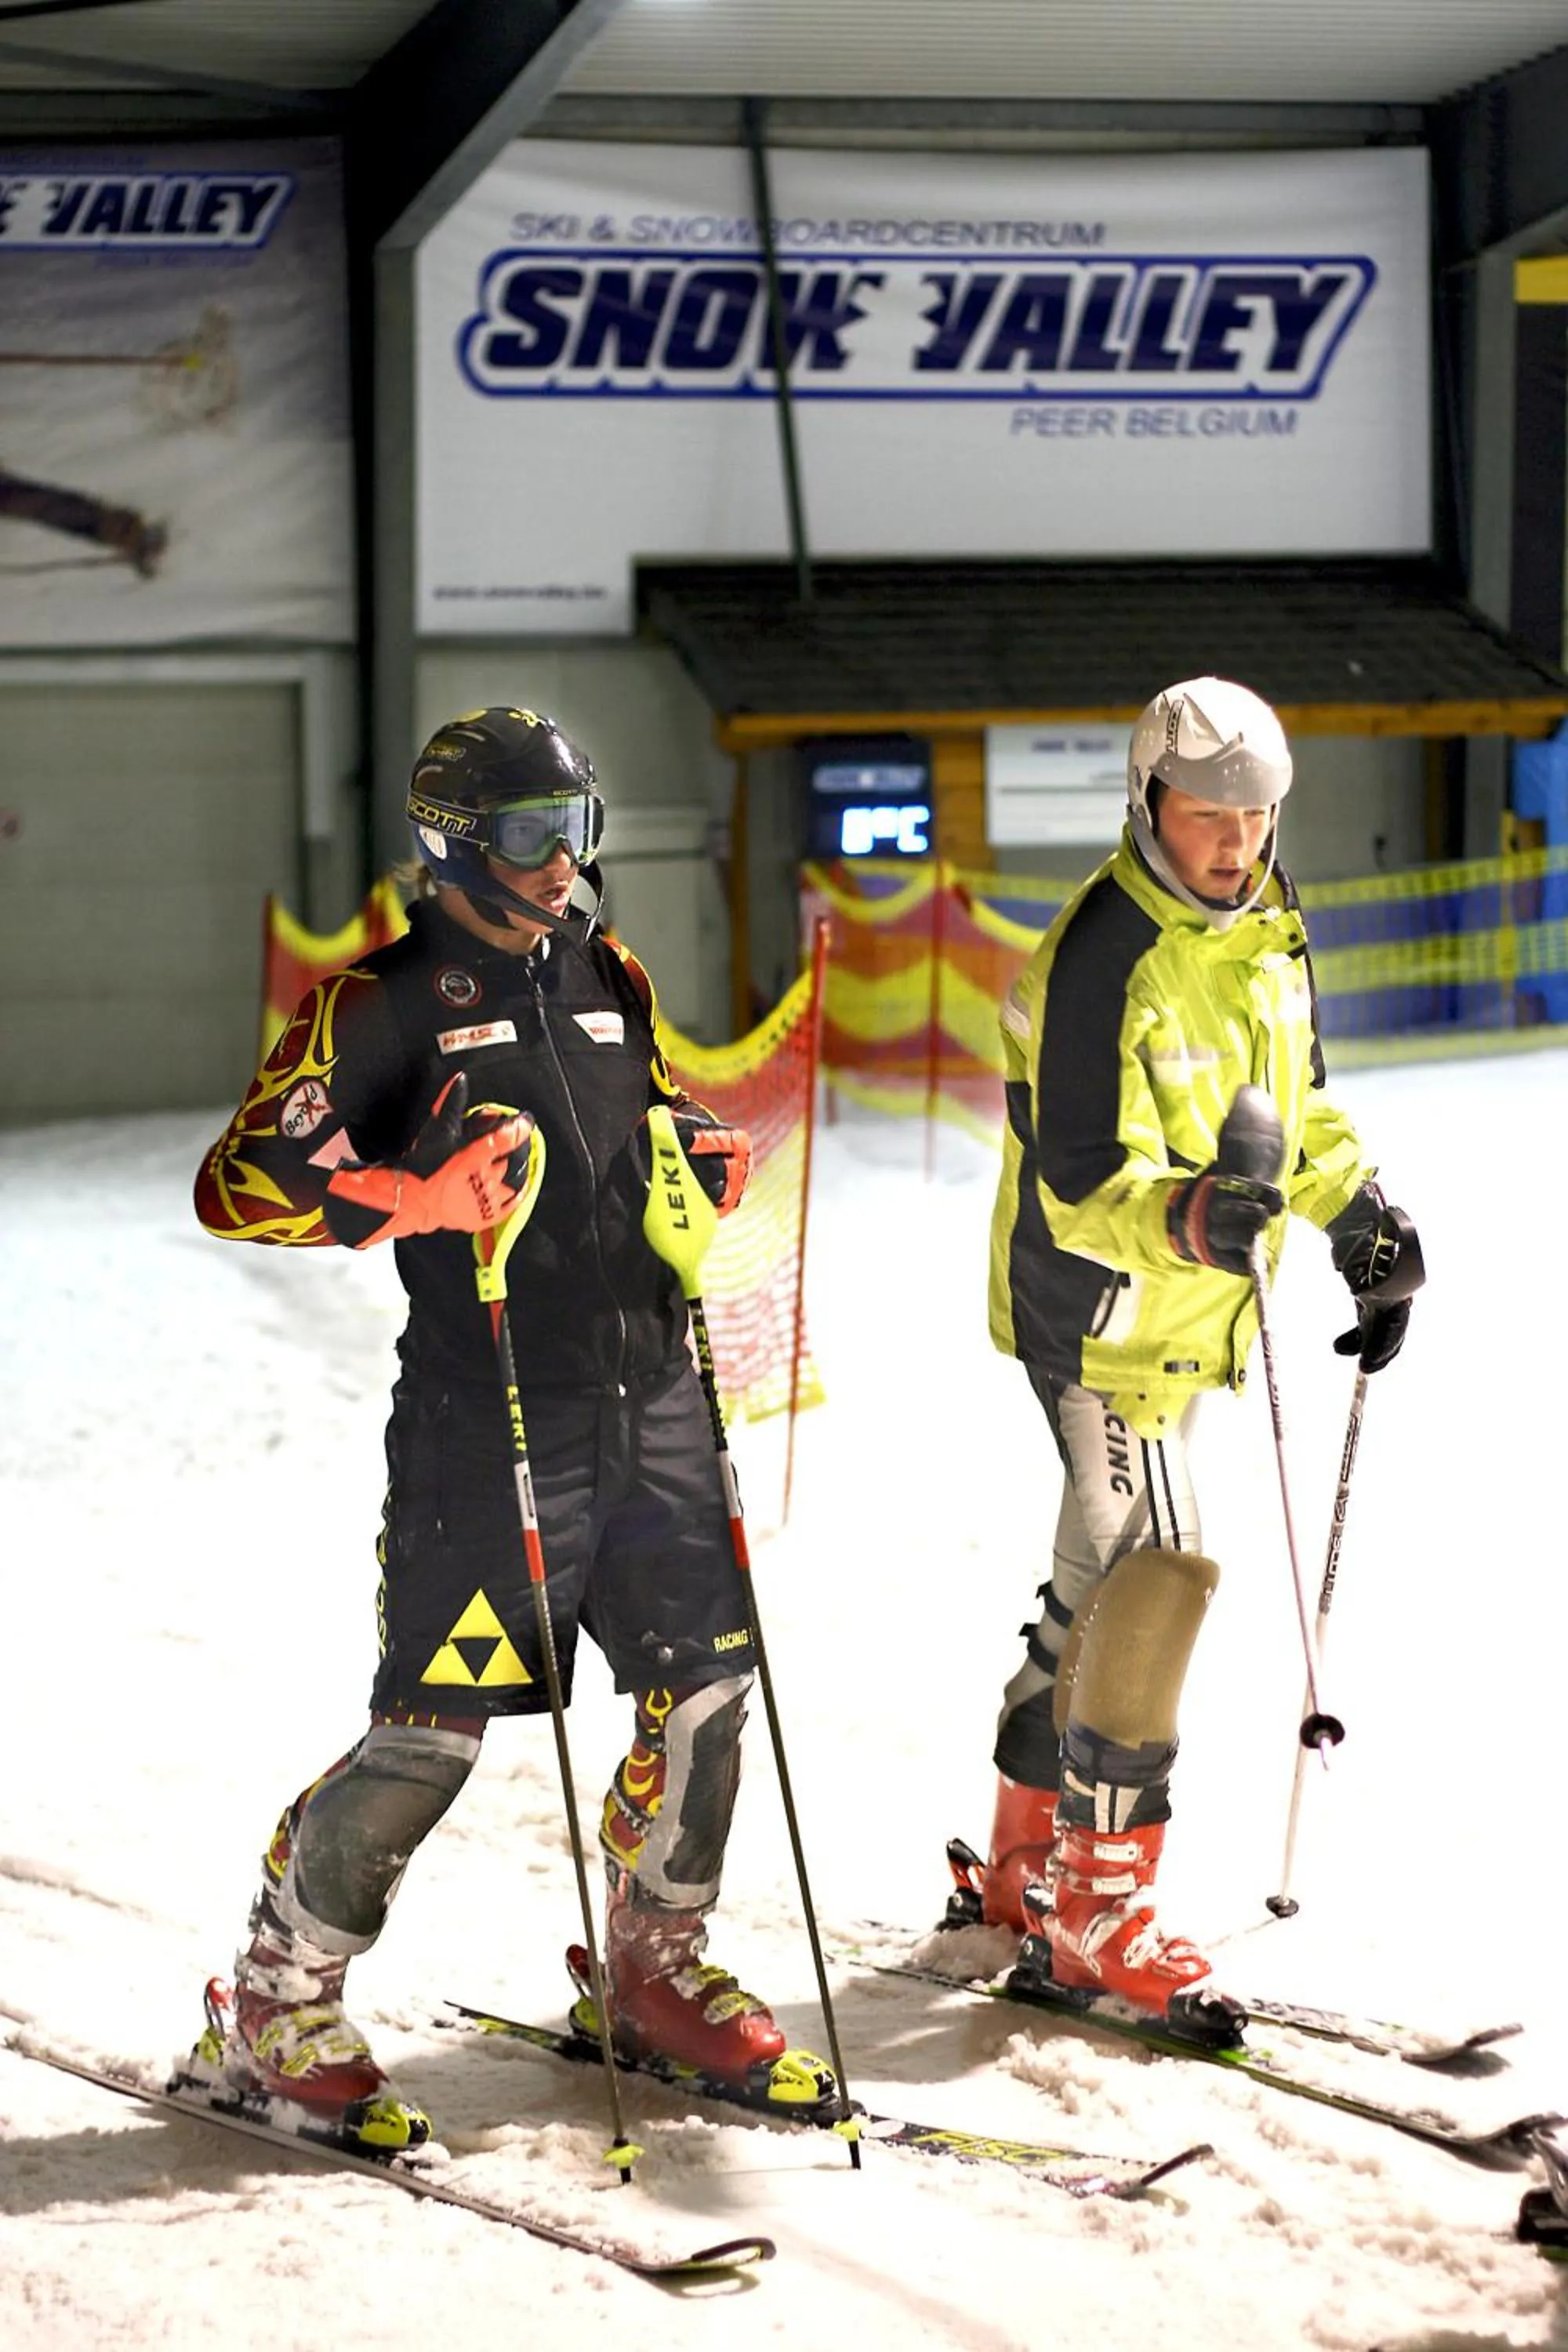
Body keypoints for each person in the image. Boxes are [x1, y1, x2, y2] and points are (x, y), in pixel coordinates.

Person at [193, 705, 789, 2144]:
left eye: (575, 829)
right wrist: (415, 1198)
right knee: (435, 1735)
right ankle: (277, 1997)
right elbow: (239, 1181)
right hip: (491, 1416)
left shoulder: (607, 969)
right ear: (455, 843)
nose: (560, 861)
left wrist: (696, 1153)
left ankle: (652, 1971)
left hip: (653, 1395)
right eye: (531, 835)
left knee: (709, 1693)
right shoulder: (381, 1002)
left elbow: (652, 1110)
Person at [960, 676, 1422, 2026]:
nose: (1238, 838)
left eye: (1259, 811)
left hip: (1191, 1318)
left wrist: (1363, 1220)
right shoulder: (1100, 954)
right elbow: (1077, 1183)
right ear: (1148, 802)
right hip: (1100, 1320)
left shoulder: (1272, 926)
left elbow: (1299, 1109)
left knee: (1094, 1588)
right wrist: (1190, 1215)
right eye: (1210, 812)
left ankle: (1023, 1862)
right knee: (1158, 1569)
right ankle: (1095, 1910)